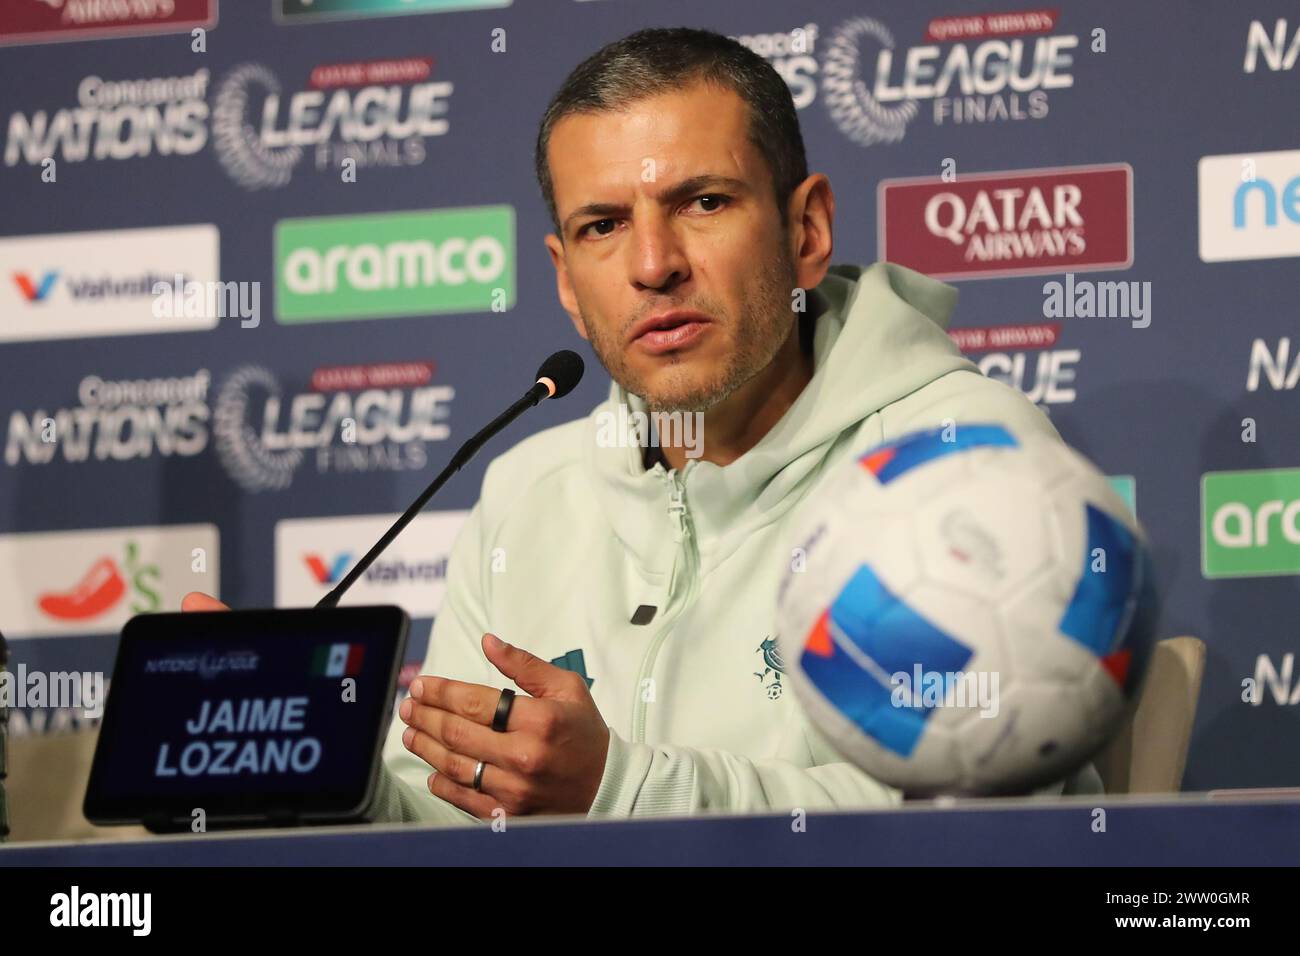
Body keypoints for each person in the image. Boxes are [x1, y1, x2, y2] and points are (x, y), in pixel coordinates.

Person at [185, 26, 1101, 824]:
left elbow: (976, 815)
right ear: (564, 284)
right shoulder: (527, 491)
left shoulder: (965, 460)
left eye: (703, 202)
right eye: (603, 226)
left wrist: (625, 787)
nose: (653, 264)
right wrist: (314, 782)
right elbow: (452, 813)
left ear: (807, 230)